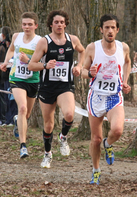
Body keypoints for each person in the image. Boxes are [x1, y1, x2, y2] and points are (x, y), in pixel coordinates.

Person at [28, 10, 85, 168]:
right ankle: (47, 154)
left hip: (65, 85)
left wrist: (79, 66)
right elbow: (32, 65)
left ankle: (63, 137)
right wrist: (45, 65)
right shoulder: (44, 42)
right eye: (56, 22)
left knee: (69, 113)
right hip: (47, 87)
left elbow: (82, 51)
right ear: (51, 24)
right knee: (48, 125)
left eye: (62, 22)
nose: (59, 25)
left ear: (65, 24)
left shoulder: (72, 40)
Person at [82, 14, 131, 185]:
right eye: (106, 27)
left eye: (113, 28)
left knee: (117, 130)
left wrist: (125, 81)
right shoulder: (92, 48)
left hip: (114, 96)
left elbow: (127, 62)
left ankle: (108, 144)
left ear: (117, 30)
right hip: (96, 97)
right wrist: (89, 73)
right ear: (101, 29)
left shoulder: (123, 47)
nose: (110, 31)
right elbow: (82, 70)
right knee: (95, 139)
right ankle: (96, 171)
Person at [0, 12, 41, 159]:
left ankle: (18, 121)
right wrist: (6, 62)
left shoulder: (40, 41)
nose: (27, 27)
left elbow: (42, 62)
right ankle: (23, 146)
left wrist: (28, 59)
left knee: (26, 114)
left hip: (33, 80)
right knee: (22, 108)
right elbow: (11, 50)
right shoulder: (17, 36)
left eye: (30, 24)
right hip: (16, 78)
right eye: (24, 24)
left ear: (35, 25)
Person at [0, 28, 13, 126]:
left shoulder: (1, 49)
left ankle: (2, 120)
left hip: (2, 79)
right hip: (4, 78)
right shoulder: (4, 48)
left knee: (3, 101)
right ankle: (5, 119)